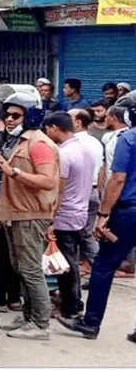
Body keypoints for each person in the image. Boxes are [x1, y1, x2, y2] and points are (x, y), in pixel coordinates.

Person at [58, 91, 136, 340]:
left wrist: (104, 215)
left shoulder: (128, 139)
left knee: (103, 266)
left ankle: (91, 323)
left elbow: (118, 179)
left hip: (128, 211)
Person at [0, 92, 59, 341]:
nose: (9, 119)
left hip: (31, 214)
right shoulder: (23, 140)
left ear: (30, 115)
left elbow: (47, 180)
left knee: (31, 270)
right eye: (7, 114)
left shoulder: (39, 143)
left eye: (16, 115)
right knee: (20, 268)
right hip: (19, 212)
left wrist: (14, 172)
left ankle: (40, 323)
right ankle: (29, 315)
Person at [42, 111, 95, 319]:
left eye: (48, 129)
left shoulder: (63, 154)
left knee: (65, 264)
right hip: (80, 211)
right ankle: (74, 301)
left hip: (65, 214)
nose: (46, 132)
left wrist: (51, 217)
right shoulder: (85, 149)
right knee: (71, 259)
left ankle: (70, 306)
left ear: (56, 128)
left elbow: (59, 189)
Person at [69, 108, 105, 266]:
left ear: (78, 122)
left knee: (74, 235)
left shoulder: (75, 143)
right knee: (84, 234)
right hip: (92, 190)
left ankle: (99, 268)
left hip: (77, 193)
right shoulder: (95, 142)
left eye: (68, 117)